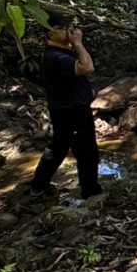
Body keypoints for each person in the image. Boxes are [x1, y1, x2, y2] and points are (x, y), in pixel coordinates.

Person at [28, 13, 102, 200]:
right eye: (62, 28)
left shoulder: (60, 52)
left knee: (59, 147)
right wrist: (78, 43)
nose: (69, 31)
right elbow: (88, 68)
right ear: (49, 33)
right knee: (86, 151)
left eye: (70, 27)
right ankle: (91, 192)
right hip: (72, 109)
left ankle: (38, 184)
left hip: (64, 107)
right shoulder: (54, 57)